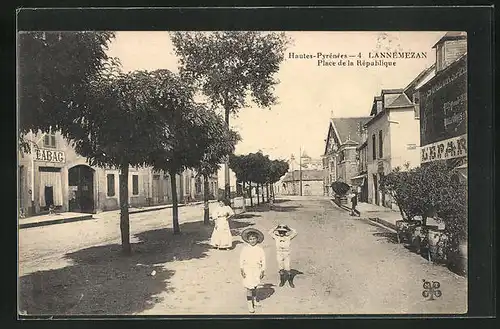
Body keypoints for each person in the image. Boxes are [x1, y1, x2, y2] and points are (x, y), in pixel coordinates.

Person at [240, 228, 266, 313]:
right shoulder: (245, 249)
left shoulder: (260, 249)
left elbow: (263, 260)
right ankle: (249, 304)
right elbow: (241, 259)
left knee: (254, 285)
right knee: (249, 287)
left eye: (254, 239)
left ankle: (254, 300)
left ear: (257, 239)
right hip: (247, 269)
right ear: (247, 240)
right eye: (250, 239)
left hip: (256, 269)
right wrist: (242, 269)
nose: (252, 241)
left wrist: (262, 270)